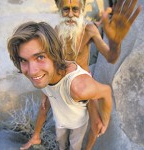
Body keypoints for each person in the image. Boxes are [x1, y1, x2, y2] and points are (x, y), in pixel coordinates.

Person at [19, 0, 142, 149]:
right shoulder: (56, 31)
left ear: (82, 9)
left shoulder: (89, 30)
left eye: (75, 9)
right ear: (59, 9)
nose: (70, 14)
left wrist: (115, 43)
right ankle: (36, 137)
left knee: (96, 125)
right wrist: (47, 86)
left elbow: (110, 57)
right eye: (66, 9)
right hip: (60, 79)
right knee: (44, 107)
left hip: (82, 80)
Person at [7, 21, 112, 150]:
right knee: (61, 145)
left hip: (78, 124)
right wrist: (36, 135)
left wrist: (105, 121)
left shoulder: (78, 87)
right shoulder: (45, 77)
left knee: (75, 146)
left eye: (40, 57)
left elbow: (106, 91)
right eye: (23, 60)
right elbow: (44, 108)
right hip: (60, 122)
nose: (32, 71)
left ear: (55, 54)